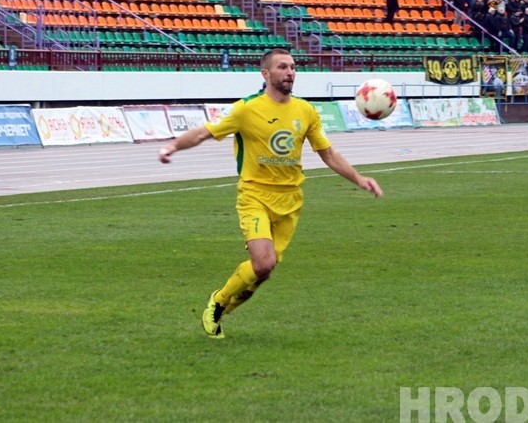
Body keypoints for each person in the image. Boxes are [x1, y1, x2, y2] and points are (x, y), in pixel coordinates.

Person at [158, 49, 384, 339]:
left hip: (290, 201)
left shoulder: (306, 111)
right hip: (255, 195)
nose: (290, 72)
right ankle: (217, 302)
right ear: (266, 74)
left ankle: (224, 305)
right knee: (263, 262)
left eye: (293, 67)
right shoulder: (246, 109)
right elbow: (203, 133)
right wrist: (171, 147)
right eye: (282, 67)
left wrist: (359, 178)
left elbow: (328, 153)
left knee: (263, 271)